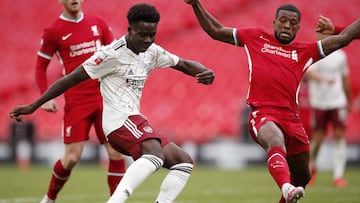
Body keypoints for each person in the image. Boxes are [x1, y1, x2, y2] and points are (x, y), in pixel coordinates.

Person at [10, 3, 215, 203]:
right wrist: (34, 105)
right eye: (142, 34)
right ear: (129, 29)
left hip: (134, 120)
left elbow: (183, 63)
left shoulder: (152, 51)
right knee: (154, 154)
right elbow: (70, 79)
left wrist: (203, 71)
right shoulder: (110, 55)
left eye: (151, 35)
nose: (147, 40)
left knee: (184, 162)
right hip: (117, 122)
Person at [184, 0, 360, 202]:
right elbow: (216, 30)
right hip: (263, 113)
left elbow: (345, 38)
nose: (287, 25)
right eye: (283, 21)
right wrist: (196, 4)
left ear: (299, 28)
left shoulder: (305, 51)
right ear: (274, 22)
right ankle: (285, 187)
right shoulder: (255, 37)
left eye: (293, 23)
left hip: (292, 120)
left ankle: (288, 192)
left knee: (303, 177)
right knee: (275, 141)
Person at [34, 0, 126, 202]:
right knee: (72, 157)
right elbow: (41, 66)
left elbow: (116, 55)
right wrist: (44, 98)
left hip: (105, 96)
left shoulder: (98, 23)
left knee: (116, 151)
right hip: (77, 99)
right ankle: (49, 198)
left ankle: (115, 200)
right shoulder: (54, 31)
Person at [307, 34, 352, 188]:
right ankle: (312, 167)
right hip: (319, 102)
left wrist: (349, 99)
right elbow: (308, 72)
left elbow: (345, 78)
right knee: (318, 139)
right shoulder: (315, 52)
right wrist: (324, 80)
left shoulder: (340, 55)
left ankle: (338, 176)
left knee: (339, 136)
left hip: (337, 101)